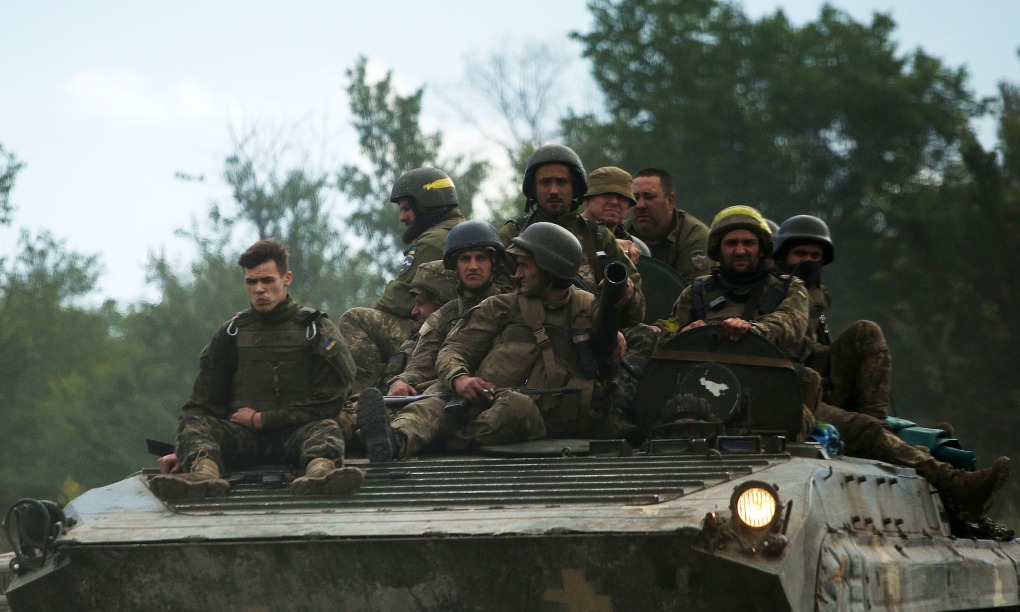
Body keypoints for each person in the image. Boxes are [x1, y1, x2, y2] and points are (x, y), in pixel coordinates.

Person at [658, 206, 1010, 522]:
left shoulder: (788, 288)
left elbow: (792, 325)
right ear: (717, 248)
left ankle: (955, 484)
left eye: (748, 243)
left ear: (762, 249)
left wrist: (754, 329)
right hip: (707, 402)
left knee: (868, 430)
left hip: (784, 397)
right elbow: (666, 333)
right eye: (731, 243)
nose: (740, 250)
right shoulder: (695, 293)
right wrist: (681, 332)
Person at [359, 222, 629, 461]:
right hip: (483, 397)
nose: (517, 274)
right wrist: (460, 379)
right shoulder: (501, 307)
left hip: (543, 417)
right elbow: (455, 348)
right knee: (438, 398)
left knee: (514, 406)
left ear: (549, 267)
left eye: (524, 266)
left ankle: (441, 442)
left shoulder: (587, 309)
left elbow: (632, 314)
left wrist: (618, 320)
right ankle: (394, 441)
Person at [149, 239, 363, 499]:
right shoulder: (232, 333)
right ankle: (204, 476)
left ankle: (320, 476)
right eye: (251, 282)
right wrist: (187, 450)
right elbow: (203, 404)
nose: (259, 289)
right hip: (244, 439)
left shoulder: (315, 330)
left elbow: (329, 403)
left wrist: (262, 419)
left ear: (286, 278)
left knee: (326, 428)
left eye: (267, 280)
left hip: (299, 435)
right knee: (194, 424)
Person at [338, 167, 465, 392]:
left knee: (356, 320)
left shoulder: (434, 240)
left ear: (426, 205)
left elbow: (398, 300)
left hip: (439, 332)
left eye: (407, 209)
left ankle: (363, 397)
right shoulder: (462, 232)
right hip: (454, 327)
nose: (402, 217)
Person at [498, 144, 645, 327]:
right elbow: (496, 299)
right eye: (545, 182)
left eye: (561, 182)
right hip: (526, 330)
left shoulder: (598, 236)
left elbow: (636, 315)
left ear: (574, 187)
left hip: (588, 331)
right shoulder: (514, 234)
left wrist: (628, 294)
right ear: (533, 188)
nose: (553, 190)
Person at [773, 214, 891, 419]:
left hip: (823, 386)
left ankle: (876, 420)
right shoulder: (770, 291)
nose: (808, 260)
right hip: (790, 392)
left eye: (815, 255)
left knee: (866, 331)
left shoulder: (816, 296)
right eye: (800, 253)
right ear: (783, 256)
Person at [386, 220, 512, 397]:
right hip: (454, 395)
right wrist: (402, 381)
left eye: (481, 258)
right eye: (465, 259)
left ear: (494, 264)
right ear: (454, 266)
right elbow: (420, 367)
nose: (473, 266)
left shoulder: (512, 305)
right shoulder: (442, 318)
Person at [625, 168, 710, 285]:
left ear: (670, 201)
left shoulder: (693, 236)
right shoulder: (620, 232)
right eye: (635, 198)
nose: (640, 205)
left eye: (649, 197)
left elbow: (694, 291)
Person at [579, 166, 650, 264]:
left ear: (629, 207)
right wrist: (611, 246)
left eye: (622, 198)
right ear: (587, 200)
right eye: (606, 195)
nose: (614, 202)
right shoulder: (568, 230)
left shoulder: (634, 247)